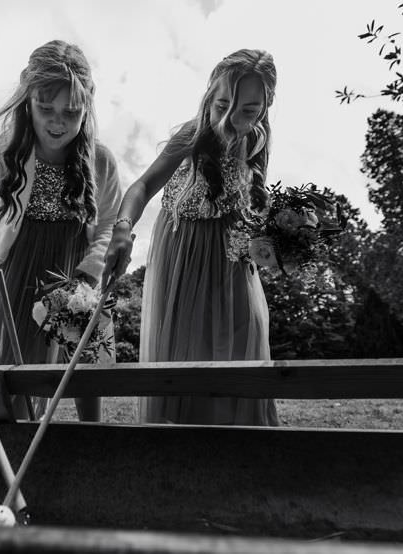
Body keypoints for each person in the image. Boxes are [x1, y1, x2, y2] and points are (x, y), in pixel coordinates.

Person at [0, 40, 121, 422]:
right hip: (15, 271)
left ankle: (91, 441)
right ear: (27, 99)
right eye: (45, 108)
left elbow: (109, 221)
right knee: (7, 370)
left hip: (73, 275)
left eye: (72, 112)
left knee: (86, 361)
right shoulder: (8, 150)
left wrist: (93, 266)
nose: (57, 122)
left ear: (88, 106)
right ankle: (0, 445)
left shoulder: (101, 160)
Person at [100, 49, 279, 426]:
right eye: (222, 105)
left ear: (264, 110)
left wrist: (277, 237)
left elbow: (253, 205)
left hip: (231, 257)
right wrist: (122, 229)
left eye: (248, 111)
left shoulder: (259, 141)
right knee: (189, 349)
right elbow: (142, 185)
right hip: (183, 254)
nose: (231, 120)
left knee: (246, 334)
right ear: (208, 98)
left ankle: (244, 445)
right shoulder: (191, 134)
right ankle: (185, 445)